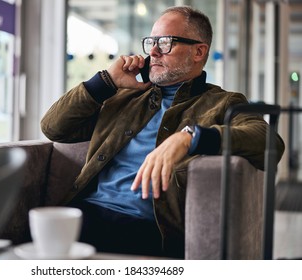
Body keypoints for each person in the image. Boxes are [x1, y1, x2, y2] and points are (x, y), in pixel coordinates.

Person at [40, 6, 285, 258]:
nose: (154, 52)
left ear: (199, 51)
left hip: (145, 228)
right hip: (84, 213)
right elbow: (53, 127)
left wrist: (189, 137)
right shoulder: (124, 97)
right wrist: (106, 81)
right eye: (151, 42)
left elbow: (270, 143)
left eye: (166, 43)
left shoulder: (223, 102)